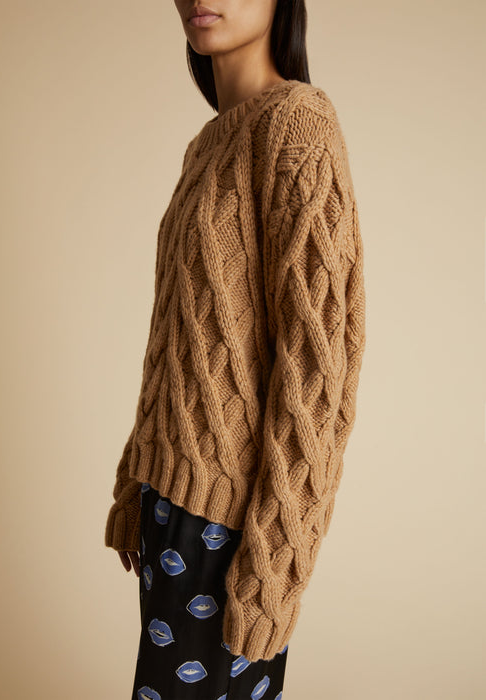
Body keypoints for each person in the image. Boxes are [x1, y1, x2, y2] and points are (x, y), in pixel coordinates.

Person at [105, 1, 366, 698]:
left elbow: (319, 368)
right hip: (171, 511)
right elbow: (181, 337)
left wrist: (274, 568)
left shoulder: (299, 123)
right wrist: (137, 479)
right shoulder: (209, 145)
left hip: (228, 532)